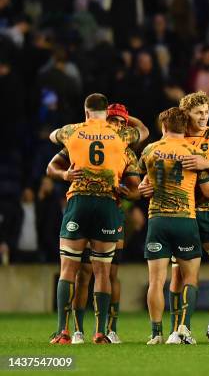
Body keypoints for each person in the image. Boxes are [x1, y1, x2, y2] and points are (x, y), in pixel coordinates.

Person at [142, 92, 209, 344]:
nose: (204, 117)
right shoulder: (174, 137)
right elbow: (154, 173)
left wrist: (206, 163)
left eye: (206, 112)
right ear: (185, 114)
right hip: (184, 214)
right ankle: (180, 328)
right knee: (179, 276)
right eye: (199, 112)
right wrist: (146, 186)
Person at [46, 103, 145, 344]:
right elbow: (144, 131)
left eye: (122, 121)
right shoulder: (122, 142)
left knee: (103, 272)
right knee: (87, 272)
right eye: (115, 119)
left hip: (89, 206)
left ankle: (98, 330)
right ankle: (82, 330)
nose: (119, 124)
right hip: (107, 209)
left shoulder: (75, 134)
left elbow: (135, 191)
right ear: (106, 117)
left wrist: (129, 192)